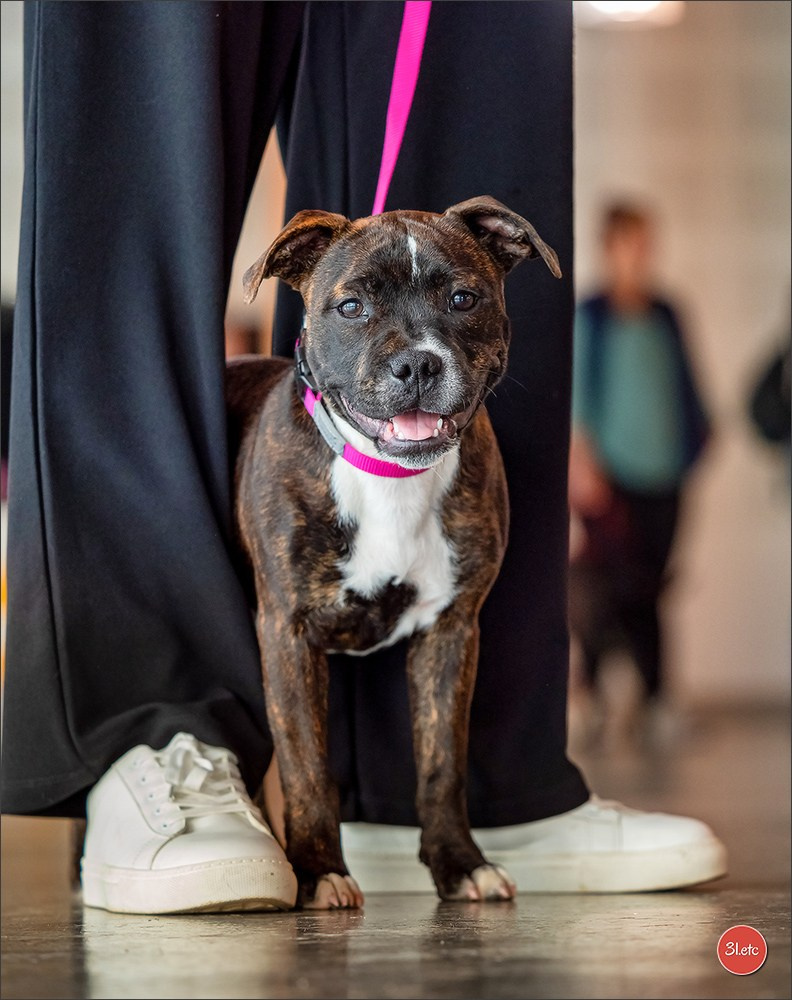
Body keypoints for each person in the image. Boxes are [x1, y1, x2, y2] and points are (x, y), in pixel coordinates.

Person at [2, 2, 726, 913]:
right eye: (354, 308)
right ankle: (151, 747)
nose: (416, 351)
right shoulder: (289, 465)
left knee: (474, 53)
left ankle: (478, 800)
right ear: (303, 287)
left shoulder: (481, 474)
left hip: (442, 536)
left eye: (460, 301)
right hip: (262, 493)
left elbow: (452, 629)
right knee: (143, 82)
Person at [568, 201, 710, 747]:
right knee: (605, 592)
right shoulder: (592, 315)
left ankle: (655, 700)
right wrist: (584, 468)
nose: (641, 254)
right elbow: (578, 398)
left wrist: (698, 443)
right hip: (611, 480)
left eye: (647, 243)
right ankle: (592, 697)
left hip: (666, 475)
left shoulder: (667, 312)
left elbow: (686, 385)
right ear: (610, 248)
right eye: (631, 243)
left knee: (652, 588)